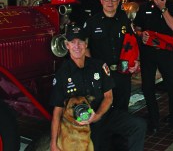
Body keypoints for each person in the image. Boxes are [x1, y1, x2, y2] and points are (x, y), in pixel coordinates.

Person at [49, 23, 146, 151]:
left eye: (80, 41)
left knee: (138, 125)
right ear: (67, 45)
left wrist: (98, 115)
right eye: (72, 42)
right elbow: (57, 112)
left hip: (103, 114)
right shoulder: (62, 74)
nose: (77, 46)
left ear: (86, 44)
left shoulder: (99, 66)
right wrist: (53, 143)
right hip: (80, 125)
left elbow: (108, 97)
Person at [133, 0, 173, 133]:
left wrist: (163, 8)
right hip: (148, 54)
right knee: (147, 87)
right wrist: (141, 35)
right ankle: (154, 121)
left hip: (166, 53)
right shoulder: (144, 7)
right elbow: (137, 28)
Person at [83, 0, 139, 111]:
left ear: (119, 2)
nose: (110, 2)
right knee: (102, 108)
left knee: (122, 106)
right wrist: (90, 68)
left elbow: (133, 43)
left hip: (122, 72)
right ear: (101, 1)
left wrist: (136, 62)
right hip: (101, 73)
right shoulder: (92, 22)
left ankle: (120, 130)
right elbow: (85, 47)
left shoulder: (124, 20)